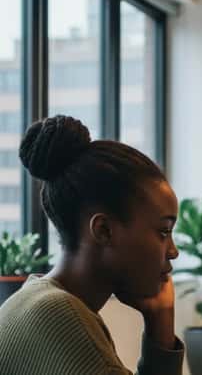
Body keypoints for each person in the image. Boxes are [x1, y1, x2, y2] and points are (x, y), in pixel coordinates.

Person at [0, 115, 184, 375]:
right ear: (103, 230)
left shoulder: (39, 299)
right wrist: (161, 326)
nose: (173, 251)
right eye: (163, 231)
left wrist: (160, 320)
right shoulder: (59, 316)